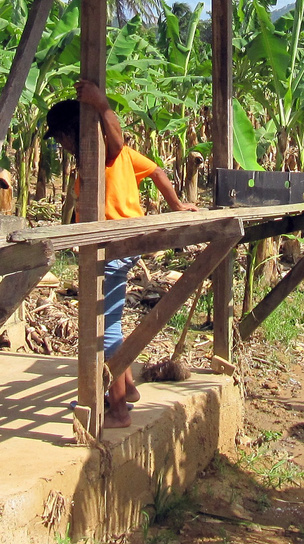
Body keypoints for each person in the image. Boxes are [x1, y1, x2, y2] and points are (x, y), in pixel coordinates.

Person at [45, 79, 197, 428]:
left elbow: (117, 142)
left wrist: (102, 105)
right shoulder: (115, 157)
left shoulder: (105, 153)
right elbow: (157, 171)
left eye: (60, 137)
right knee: (109, 323)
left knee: (105, 330)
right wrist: (176, 205)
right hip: (122, 244)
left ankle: (118, 411)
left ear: (72, 132)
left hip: (113, 247)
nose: (62, 145)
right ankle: (125, 389)